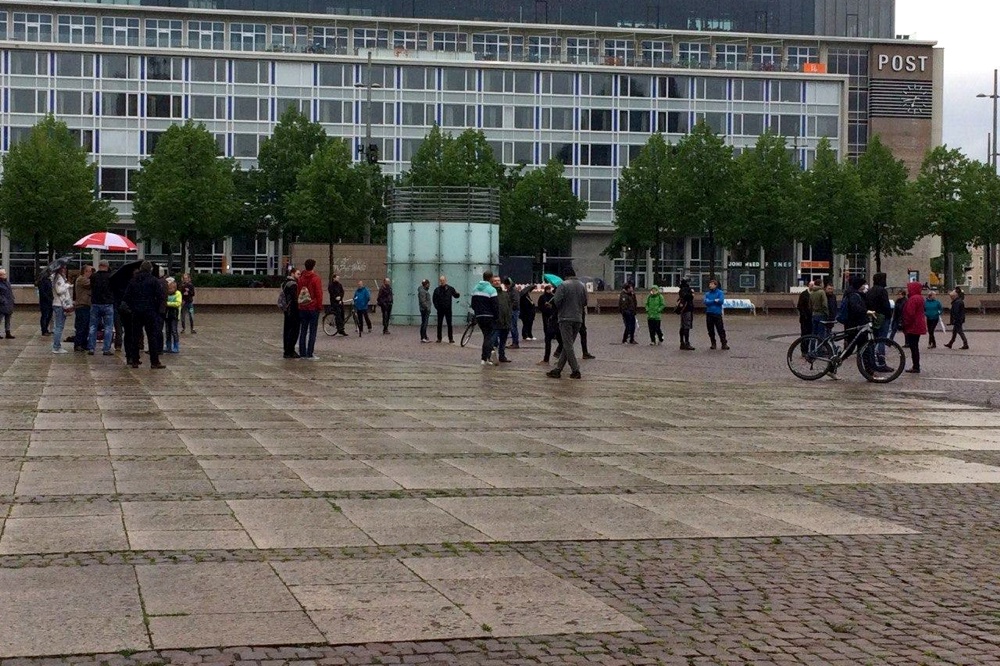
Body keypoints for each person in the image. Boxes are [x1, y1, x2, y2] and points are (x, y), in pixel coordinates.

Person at [122, 261, 166, 369]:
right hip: (150, 311)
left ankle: (135, 360)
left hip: (136, 312)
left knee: (135, 336)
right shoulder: (154, 281)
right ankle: (154, 361)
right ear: (150, 269)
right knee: (152, 336)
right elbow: (160, 296)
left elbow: (127, 296)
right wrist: (155, 307)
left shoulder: (133, 280)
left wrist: (133, 306)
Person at [546, 268, 587, 379]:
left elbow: (557, 301)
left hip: (565, 318)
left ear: (565, 276)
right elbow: (585, 302)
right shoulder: (582, 285)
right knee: (567, 345)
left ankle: (575, 370)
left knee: (568, 345)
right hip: (578, 318)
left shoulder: (563, 285)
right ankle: (558, 369)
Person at [470, 270, 499, 366]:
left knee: (486, 336)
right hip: (489, 316)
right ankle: (484, 357)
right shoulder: (492, 290)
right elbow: (495, 305)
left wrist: (478, 312)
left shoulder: (475, 289)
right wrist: (497, 317)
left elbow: (473, 304)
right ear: (490, 278)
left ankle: (487, 357)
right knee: (488, 337)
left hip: (479, 316)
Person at [296, 258, 323, 360]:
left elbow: (298, 293)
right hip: (313, 307)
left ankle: (302, 352)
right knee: (312, 331)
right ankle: (310, 353)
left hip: (302, 308)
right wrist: (319, 306)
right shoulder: (316, 278)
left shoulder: (301, 278)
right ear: (313, 267)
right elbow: (319, 294)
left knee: (303, 330)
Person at [87, 261, 115, 356]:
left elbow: (91, 287)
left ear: (99, 266)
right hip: (108, 304)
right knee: (108, 327)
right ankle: (106, 349)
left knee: (93, 326)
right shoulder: (111, 276)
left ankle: (91, 348)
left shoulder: (93, 276)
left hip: (95, 303)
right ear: (107, 266)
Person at [900, 281, 927, 374]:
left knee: (913, 346)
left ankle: (916, 366)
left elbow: (909, 313)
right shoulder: (920, 298)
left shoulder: (913, 299)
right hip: (918, 324)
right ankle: (916, 365)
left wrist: (905, 324)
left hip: (913, 325)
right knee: (915, 346)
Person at [51, 266, 73, 354]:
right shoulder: (58, 278)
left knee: (59, 326)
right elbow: (59, 290)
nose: (65, 269)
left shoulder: (59, 277)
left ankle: (57, 346)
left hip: (58, 304)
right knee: (59, 327)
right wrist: (67, 285)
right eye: (63, 268)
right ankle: (56, 347)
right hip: (59, 304)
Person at [432, 275, 460, 343]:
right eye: (441, 280)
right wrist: (437, 307)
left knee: (449, 324)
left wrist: (458, 294)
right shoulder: (437, 290)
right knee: (439, 324)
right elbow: (434, 299)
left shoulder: (450, 288)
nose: (442, 282)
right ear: (439, 281)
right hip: (440, 310)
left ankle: (450, 338)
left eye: (443, 280)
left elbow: (455, 295)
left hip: (448, 309)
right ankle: (439, 338)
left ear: (445, 280)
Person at [703, 278, 729, 350]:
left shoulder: (720, 292)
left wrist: (711, 301)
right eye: (709, 284)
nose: (710, 285)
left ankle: (724, 343)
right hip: (709, 313)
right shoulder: (707, 294)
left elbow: (721, 301)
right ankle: (713, 343)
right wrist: (714, 300)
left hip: (717, 313)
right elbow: (706, 302)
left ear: (715, 285)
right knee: (710, 330)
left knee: (720, 329)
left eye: (712, 284)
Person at [281, 268, 300, 358]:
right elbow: (294, 299)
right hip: (293, 310)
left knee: (287, 330)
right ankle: (290, 350)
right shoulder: (293, 284)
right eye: (298, 274)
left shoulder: (285, 282)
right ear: (292, 274)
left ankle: (287, 350)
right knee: (294, 330)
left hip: (287, 310)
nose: (299, 276)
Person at [492, 275, 512, 363]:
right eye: (495, 281)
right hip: (496, 322)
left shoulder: (505, 294)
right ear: (492, 283)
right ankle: (490, 356)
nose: (497, 282)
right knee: (493, 340)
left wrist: (509, 318)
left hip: (505, 322)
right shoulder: (492, 294)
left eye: (498, 280)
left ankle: (502, 356)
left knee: (503, 341)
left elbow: (509, 306)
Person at [537, 283, 558, 365]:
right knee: (547, 337)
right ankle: (546, 358)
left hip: (553, 318)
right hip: (546, 317)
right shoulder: (542, 297)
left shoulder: (554, 297)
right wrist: (545, 308)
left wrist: (550, 307)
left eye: (550, 289)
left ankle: (551, 357)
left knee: (551, 339)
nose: (549, 291)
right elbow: (540, 306)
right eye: (547, 289)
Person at [73, 265, 93, 351]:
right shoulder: (81, 279)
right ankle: (78, 344)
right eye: (90, 271)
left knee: (86, 326)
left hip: (86, 305)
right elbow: (91, 284)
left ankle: (84, 343)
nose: (91, 273)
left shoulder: (85, 279)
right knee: (81, 326)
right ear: (85, 271)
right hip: (81, 305)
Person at [164, 277, 182, 353]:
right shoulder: (166, 293)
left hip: (174, 315)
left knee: (174, 331)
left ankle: (176, 346)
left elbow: (178, 303)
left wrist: (168, 304)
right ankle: (168, 346)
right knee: (167, 331)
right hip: (167, 315)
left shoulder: (178, 293)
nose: (170, 290)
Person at [677, 279, 695, 350]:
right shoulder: (686, 289)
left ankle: (682, 342)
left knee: (683, 325)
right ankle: (686, 343)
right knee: (686, 326)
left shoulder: (681, 289)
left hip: (683, 309)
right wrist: (691, 294)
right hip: (687, 309)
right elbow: (688, 297)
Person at [37, 269, 53, 335]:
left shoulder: (49, 280)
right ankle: (43, 330)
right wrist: (48, 298)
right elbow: (42, 292)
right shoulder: (41, 281)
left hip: (50, 300)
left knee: (49, 315)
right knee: (44, 315)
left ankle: (46, 328)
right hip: (44, 301)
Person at [0, 269, 14, 339]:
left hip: (9, 304)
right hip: (2, 305)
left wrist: (12, 299)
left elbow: (10, 292)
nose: (5, 275)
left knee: (8, 319)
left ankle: (8, 332)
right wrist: (3, 300)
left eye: (5, 274)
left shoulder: (7, 283)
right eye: (4, 274)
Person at [417, 278, 431, 342]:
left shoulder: (423, 290)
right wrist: (427, 307)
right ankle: (423, 338)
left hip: (424, 309)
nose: (429, 285)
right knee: (424, 323)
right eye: (428, 284)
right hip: (424, 310)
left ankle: (424, 336)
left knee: (424, 323)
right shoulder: (423, 291)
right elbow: (423, 301)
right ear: (426, 284)